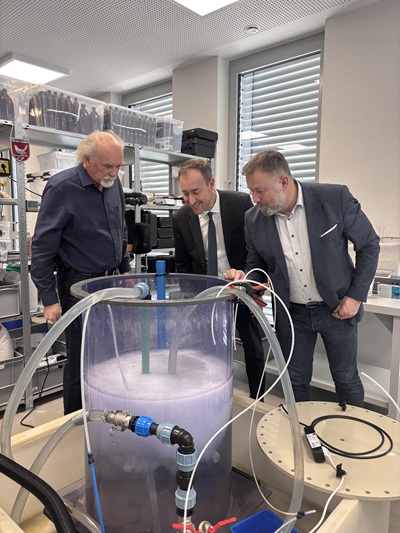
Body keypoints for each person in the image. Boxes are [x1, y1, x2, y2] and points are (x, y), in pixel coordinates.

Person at [225, 150, 380, 407]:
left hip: (337, 308)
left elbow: (369, 245)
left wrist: (354, 297)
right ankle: (300, 430)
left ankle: (353, 429)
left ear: (284, 182)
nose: (255, 198)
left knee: (346, 378)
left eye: (260, 191)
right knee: (295, 380)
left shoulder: (334, 198)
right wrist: (245, 280)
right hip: (292, 313)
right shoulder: (253, 219)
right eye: (251, 191)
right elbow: (257, 267)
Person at [31, 130, 132, 414]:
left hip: (113, 280)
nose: (114, 173)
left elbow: (120, 229)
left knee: (112, 351)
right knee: (81, 357)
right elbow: (42, 248)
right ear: (87, 160)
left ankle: (108, 415)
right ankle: (75, 421)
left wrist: (126, 271)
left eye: (118, 166)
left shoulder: (113, 183)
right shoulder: (61, 188)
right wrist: (50, 299)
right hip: (79, 285)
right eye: (108, 166)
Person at [173, 158, 266, 399]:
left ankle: (258, 399)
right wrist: (191, 303)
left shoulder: (240, 203)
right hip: (207, 294)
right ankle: (212, 397)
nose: (191, 200)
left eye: (196, 192)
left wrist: (251, 284)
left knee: (252, 345)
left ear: (211, 183)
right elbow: (183, 265)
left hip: (241, 287)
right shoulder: (182, 217)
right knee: (207, 349)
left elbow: (257, 249)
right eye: (185, 193)